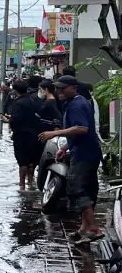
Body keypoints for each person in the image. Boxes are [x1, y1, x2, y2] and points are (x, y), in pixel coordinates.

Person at [39, 75, 103, 242]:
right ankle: (84, 228)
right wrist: (65, 147)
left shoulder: (76, 105)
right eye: (58, 88)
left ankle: (93, 228)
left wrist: (55, 133)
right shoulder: (78, 101)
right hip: (86, 151)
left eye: (63, 88)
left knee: (76, 189)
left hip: (84, 154)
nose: (59, 91)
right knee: (87, 190)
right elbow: (85, 131)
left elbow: (82, 129)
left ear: (74, 88)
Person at [8, 80, 44, 189]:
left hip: (21, 135)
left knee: (22, 162)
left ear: (15, 90)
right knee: (31, 161)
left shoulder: (18, 103)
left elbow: (14, 120)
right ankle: (31, 182)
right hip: (34, 135)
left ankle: (22, 184)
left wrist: (8, 120)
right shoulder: (34, 100)